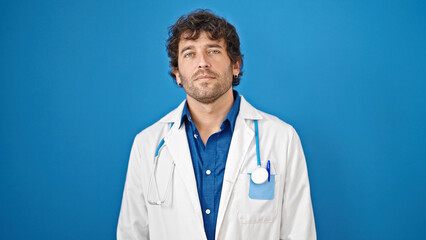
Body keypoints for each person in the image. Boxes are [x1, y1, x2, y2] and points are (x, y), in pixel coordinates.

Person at [117, 9, 316, 240]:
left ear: (235, 65)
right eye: (189, 54)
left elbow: (299, 233)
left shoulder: (282, 138)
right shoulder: (147, 145)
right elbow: (132, 234)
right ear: (177, 73)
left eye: (213, 50)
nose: (202, 63)